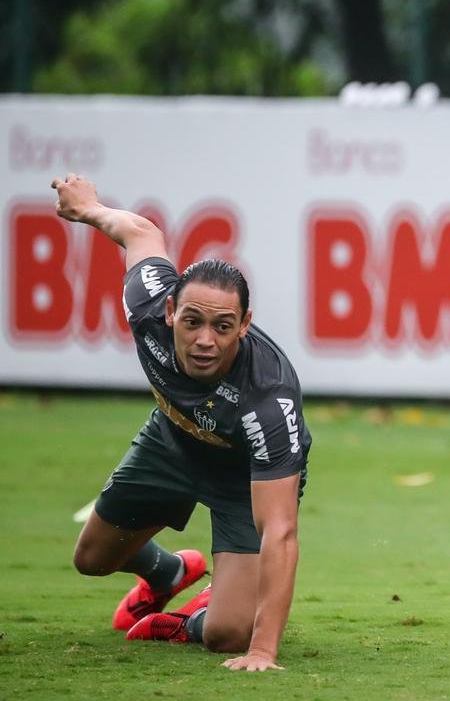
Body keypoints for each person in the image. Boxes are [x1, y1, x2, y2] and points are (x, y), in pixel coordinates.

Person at [54, 173, 312, 670]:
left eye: (223, 326)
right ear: (170, 311)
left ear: (244, 325)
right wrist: (89, 209)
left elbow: (280, 531)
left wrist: (262, 650)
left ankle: (191, 619)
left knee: (227, 634)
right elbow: (141, 233)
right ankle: (169, 573)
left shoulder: (268, 399)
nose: (205, 341)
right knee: (92, 560)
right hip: (171, 442)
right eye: (192, 321)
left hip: (243, 480)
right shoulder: (146, 306)